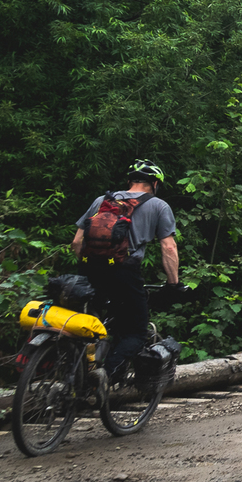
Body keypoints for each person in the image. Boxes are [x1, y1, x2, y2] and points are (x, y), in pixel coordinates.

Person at [71, 160, 184, 392]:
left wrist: (91, 265)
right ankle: (103, 376)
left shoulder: (102, 201)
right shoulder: (159, 206)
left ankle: (74, 371)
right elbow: (169, 248)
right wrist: (174, 283)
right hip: (124, 272)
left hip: (89, 270)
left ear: (130, 181)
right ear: (154, 183)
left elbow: (76, 242)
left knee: (89, 325)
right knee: (136, 331)